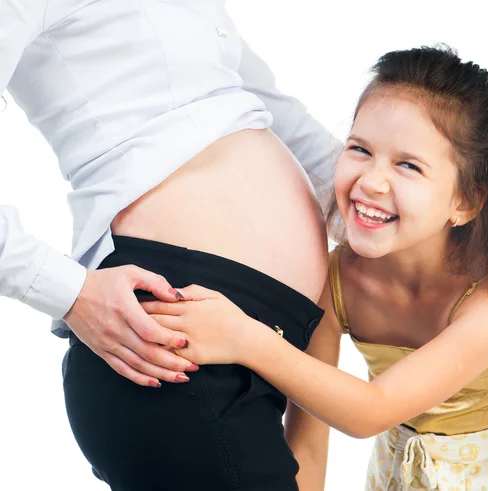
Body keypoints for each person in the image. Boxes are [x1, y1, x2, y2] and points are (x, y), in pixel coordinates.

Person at [145, 46, 488, 490]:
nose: (371, 181)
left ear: (465, 202)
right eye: (360, 149)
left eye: (408, 165)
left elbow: (371, 410)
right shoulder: (338, 281)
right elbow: (308, 442)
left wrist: (245, 338)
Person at [1, 1, 339, 489]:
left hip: (265, 346)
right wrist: (70, 292)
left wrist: (426, 232)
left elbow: (277, 113)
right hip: (166, 342)